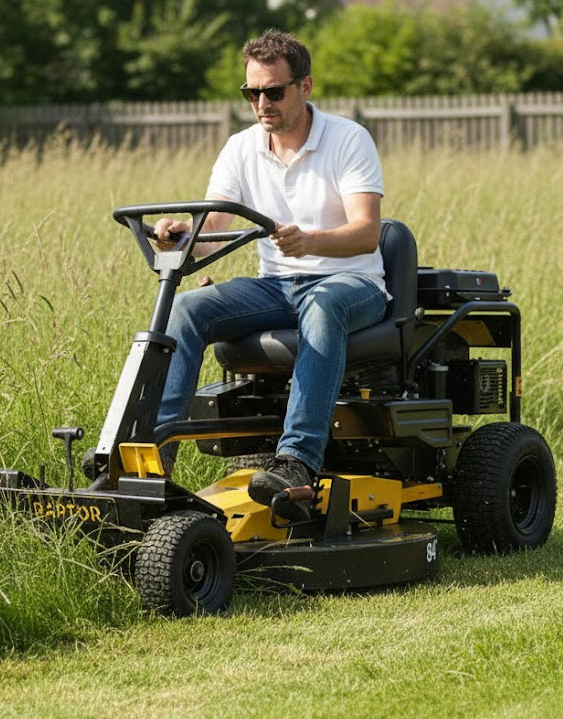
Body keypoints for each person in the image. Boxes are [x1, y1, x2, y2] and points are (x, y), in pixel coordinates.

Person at [154, 29, 389, 517]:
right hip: (277, 285)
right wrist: (180, 233)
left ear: (304, 87)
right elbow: (213, 226)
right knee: (186, 308)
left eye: (273, 91)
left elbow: (367, 233)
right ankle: (154, 456)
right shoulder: (241, 148)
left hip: (351, 283)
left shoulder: (348, 139)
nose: (261, 102)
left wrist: (311, 241)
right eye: (251, 92)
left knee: (323, 305)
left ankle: (297, 463)